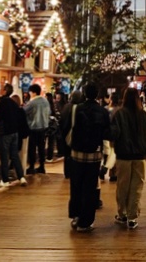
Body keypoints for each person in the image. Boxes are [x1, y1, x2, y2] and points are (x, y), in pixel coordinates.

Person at [62, 83, 111, 232]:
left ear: (84, 93)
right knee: (90, 187)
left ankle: (75, 215)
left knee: (76, 185)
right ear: (97, 95)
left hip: (77, 154)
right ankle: (86, 221)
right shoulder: (103, 111)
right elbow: (107, 134)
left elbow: (68, 128)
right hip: (94, 155)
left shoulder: (77, 109)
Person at [111, 87, 146, 230]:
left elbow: (114, 134)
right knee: (137, 187)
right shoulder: (144, 115)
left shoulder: (119, 114)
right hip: (140, 156)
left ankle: (122, 213)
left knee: (122, 185)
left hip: (123, 156)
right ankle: (132, 217)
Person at [0, 84, 27, 188]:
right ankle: (21, 177)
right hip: (15, 132)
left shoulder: (2, 102)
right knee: (14, 155)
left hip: (5, 132)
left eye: (1, 88)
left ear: (4, 91)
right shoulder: (13, 103)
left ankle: (5, 180)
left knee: (4, 156)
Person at [24, 83, 51, 175]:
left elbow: (23, 111)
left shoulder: (32, 102)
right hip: (44, 127)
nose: (29, 94)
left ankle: (31, 166)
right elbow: (49, 113)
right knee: (41, 148)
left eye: (30, 92)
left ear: (34, 93)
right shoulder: (45, 101)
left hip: (34, 128)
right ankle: (42, 166)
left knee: (32, 148)